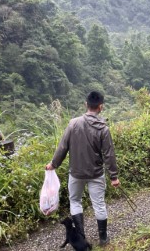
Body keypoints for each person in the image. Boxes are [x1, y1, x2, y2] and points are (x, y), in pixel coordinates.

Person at [45, 91, 120, 246]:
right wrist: (114, 176)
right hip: (96, 173)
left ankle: (81, 237)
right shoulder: (103, 129)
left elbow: (63, 147)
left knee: (75, 201)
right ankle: (103, 239)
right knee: (98, 204)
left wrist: (53, 164)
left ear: (86, 105)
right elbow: (109, 154)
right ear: (101, 107)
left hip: (76, 173)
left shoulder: (73, 124)